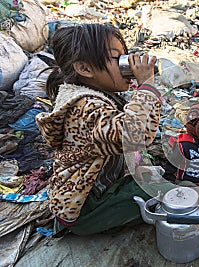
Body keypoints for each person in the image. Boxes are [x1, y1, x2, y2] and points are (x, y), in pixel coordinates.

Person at [35, 23, 169, 235]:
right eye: (117, 59)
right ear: (85, 69)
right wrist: (146, 87)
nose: (128, 65)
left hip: (98, 187)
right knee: (166, 192)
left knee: (154, 178)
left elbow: (135, 136)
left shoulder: (89, 96)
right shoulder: (85, 107)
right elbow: (134, 136)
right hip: (84, 207)